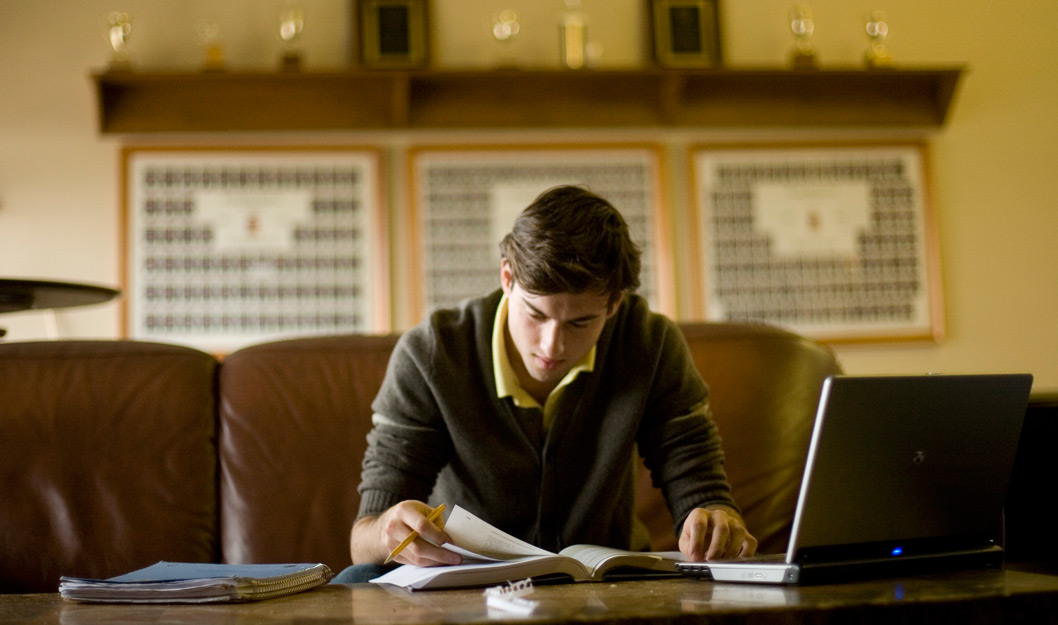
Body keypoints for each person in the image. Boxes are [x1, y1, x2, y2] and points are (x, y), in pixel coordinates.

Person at [341, 185, 755, 581]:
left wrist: (714, 516)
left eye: (581, 322)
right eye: (536, 315)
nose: (551, 345)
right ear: (507, 278)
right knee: (358, 577)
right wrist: (386, 532)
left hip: (607, 586)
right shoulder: (433, 352)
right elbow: (363, 541)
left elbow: (698, 479)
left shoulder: (649, 342)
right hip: (465, 587)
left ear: (614, 304)